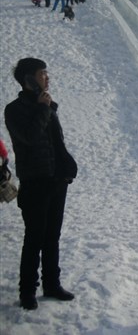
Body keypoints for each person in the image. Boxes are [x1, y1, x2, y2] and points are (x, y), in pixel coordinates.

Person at [4, 58, 78, 310]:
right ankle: (27, 291)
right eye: (42, 74)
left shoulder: (46, 105)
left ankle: (52, 284)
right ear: (28, 80)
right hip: (35, 182)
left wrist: (67, 168)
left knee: (52, 237)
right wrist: (42, 109)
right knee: (34, 237)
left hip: (56, 179)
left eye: (46, 72)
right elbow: (30, 138)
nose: (47, 77)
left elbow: (56, 142)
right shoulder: (14, 110)